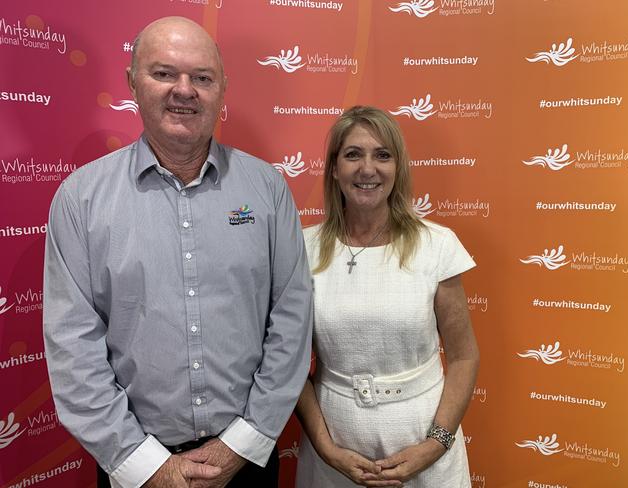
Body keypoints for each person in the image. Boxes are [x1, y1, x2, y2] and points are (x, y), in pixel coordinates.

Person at [43, 16, 312, 488]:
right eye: (164, 73)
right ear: (132, 82)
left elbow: (291, 320)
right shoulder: (80, 199)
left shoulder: (267, 188)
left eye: (201, 78)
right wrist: (145, 465)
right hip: (134, 467)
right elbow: (73, 347)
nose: (183, 90)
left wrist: (241, 444)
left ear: (222, 90)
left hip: (246, 462)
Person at [294, 106, 479, 487]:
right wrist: (326, 448)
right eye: (352, 154)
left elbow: (463, 357)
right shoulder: (302, 249)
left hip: (424, 446)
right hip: (335, 453)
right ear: (333, 168)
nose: (367, 168)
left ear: (398, 167)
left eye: (382, 155)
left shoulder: (437, 246)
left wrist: (435, 445)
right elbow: (290, 364)